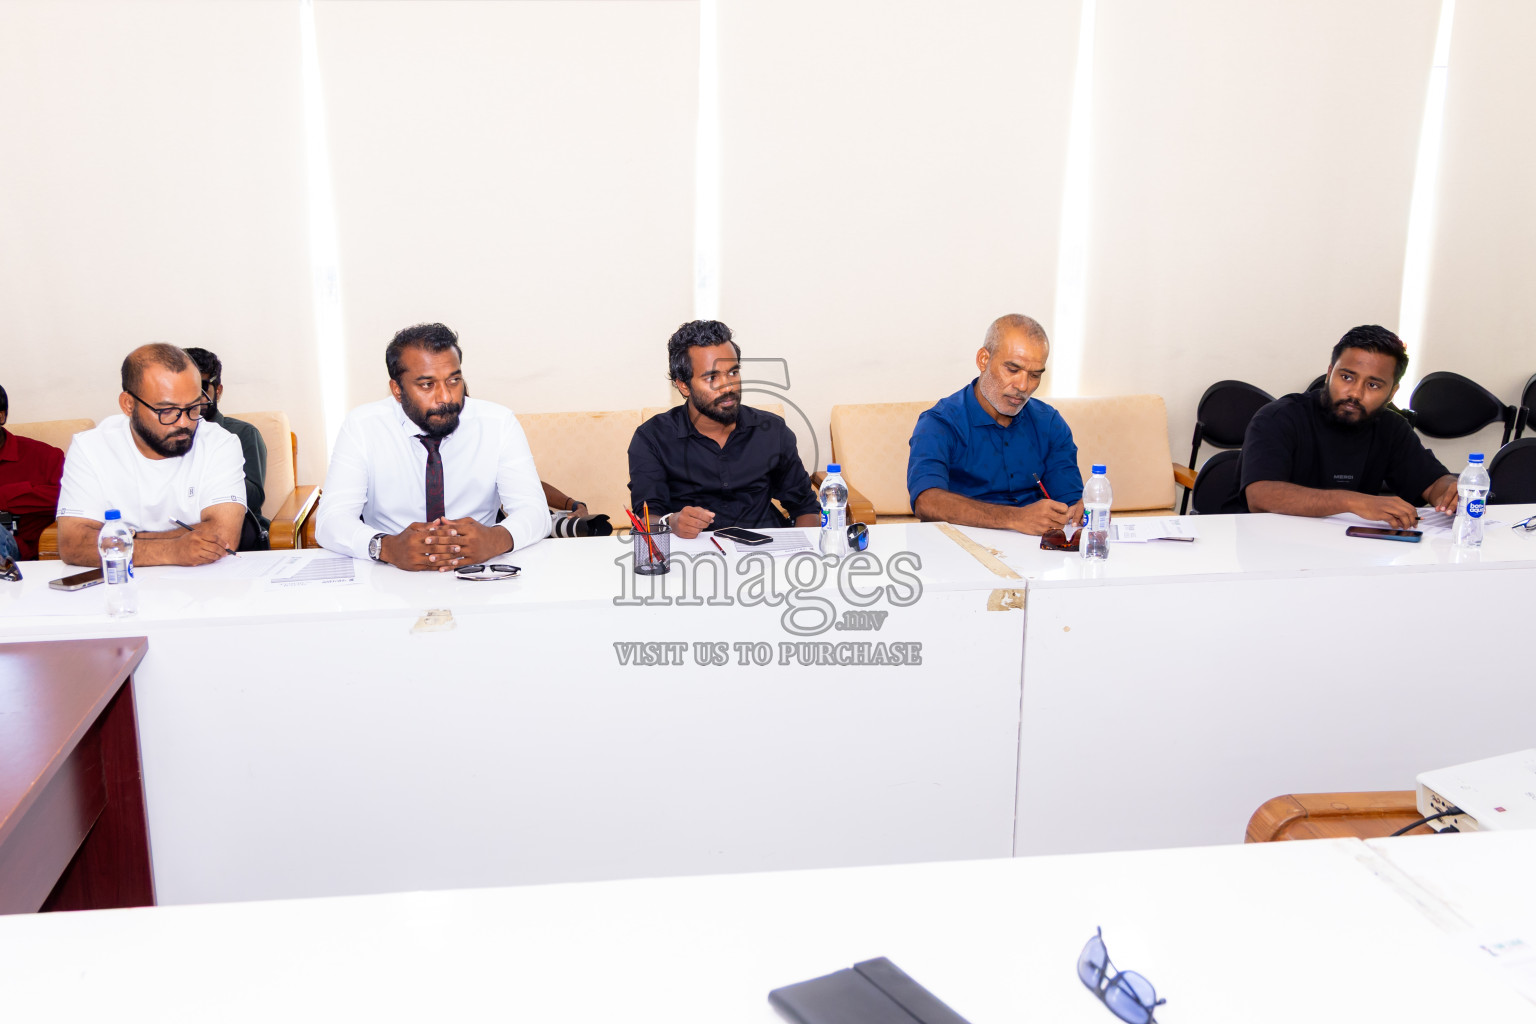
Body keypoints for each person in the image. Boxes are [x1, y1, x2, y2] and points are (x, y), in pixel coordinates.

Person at [314, 322, 549, 569]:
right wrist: (385, 547)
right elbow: (331, 520)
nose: (446, 397)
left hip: (479, 569)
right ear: (397, 389)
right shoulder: (362, 426)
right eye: (427, 385)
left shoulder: (498, 423)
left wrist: (496, 539)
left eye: (453, 380)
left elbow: (535, 511)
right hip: (390, 572)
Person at [1223, 325, 1458, 525]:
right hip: (1267, 553)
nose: (1355, 393)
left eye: (1373, 385)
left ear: (1392, 392)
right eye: (1347, 377)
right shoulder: (1279, 418)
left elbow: (1433, 483)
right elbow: (1262, 497)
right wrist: (1353, 502)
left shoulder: (1392, 428)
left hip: (1346, 553)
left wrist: (1451, 492)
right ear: (1329, 373)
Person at [55, 344, 246, 567]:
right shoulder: (90, 448)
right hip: (120, 588)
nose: (184, 422)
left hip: (202, 587)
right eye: (166, 411)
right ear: (128, 404)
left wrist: (121, 539)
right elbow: (73, 545)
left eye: (193, 408)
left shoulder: (219, 443)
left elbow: (222, 538)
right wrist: (172, 550)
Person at [627, 319, 820, 539]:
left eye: (733, 372)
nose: (728, 386)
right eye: (712, 377)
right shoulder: (652, 438)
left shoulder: (771, 431)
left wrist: (799, 553)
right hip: (693, 558)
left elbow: (806, 508)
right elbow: (647, 517)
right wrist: (671, 522)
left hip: (767, 553)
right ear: (683, 385)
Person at [907, 314, 1084, 535]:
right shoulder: (940, 423)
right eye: (1012, 369)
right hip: (961, 548)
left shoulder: (1049, 423)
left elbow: (1070, 502)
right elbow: (927, 501)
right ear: (983, 360)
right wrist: (1015, 518)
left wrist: (1079, 510)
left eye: (1034, 375)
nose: (1023, 386)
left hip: (1034, 553)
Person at [185, 347, 270, 549]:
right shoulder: (165, 436)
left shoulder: (243, 433)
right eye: (187, 388)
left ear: (218, 390)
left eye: (203, 387)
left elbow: (254, 499)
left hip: (240, 536)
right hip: (181, 535)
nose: (196, 397)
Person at [0, 384, 67, 561]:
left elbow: (69, 496)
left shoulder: (44, 456)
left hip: (17, 549)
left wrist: (6, 496)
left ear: (1, 416)